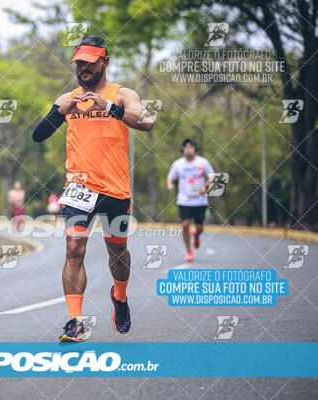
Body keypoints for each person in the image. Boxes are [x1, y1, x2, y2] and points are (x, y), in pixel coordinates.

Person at [31, 35, 154, 342]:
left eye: (89, 62)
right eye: (79, 63)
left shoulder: (123, 95)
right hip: (79, 187)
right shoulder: (67, 99)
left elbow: (146, 122)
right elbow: (37, 135)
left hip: (115, 189)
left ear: (105, 62)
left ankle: (121, 296)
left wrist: (110, 108)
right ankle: (75, 321)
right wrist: (60, 112)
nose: (83, 68)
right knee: (74, 249)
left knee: (118, 251)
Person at [167, 139, 214, 262]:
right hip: (184, 200)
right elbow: (170, 177)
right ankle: (189, 251)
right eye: (186, 147)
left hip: (200, 200)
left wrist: (206, 186)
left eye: (191, 147)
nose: (188, 149)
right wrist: (170, 184)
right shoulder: (178, 164)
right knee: (185, 225)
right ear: (183, 150)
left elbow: (212, 176)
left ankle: (196, 234)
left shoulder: (203, 162)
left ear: (195, 149)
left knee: (199, 227)